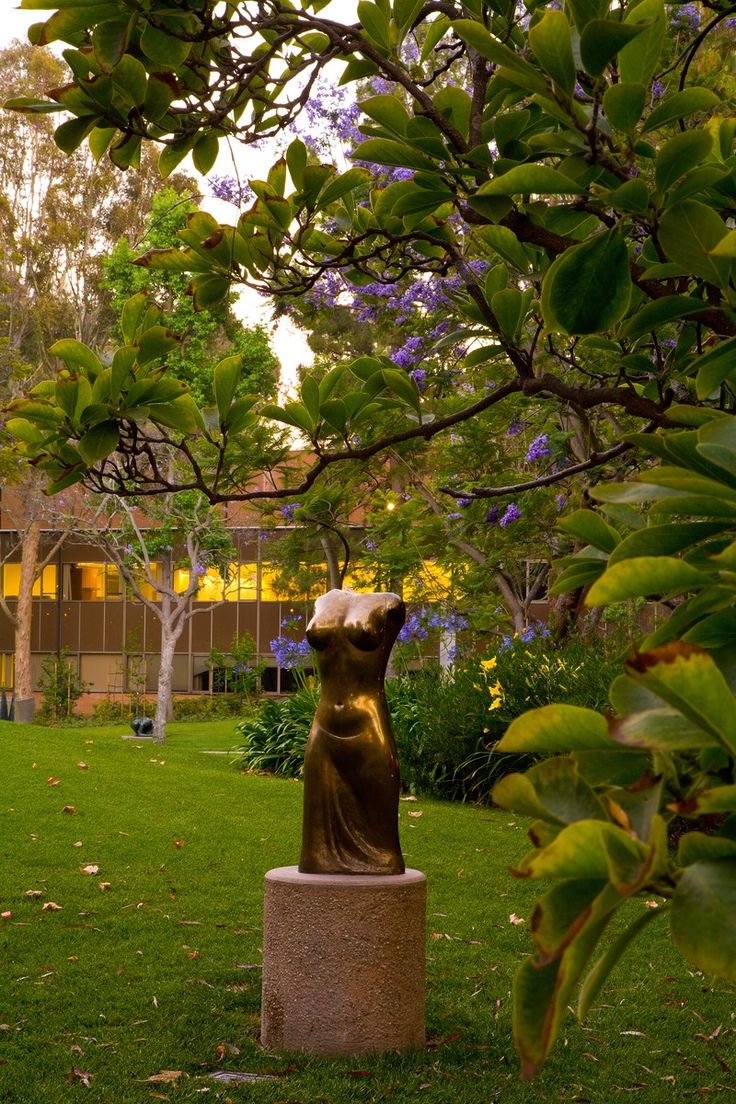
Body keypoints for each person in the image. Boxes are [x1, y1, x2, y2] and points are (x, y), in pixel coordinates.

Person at [299, 589, 406, 875]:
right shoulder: (325, 599)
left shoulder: (389, 604)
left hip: (368, 724)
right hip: (323, 726)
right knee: (315, 852)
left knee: (382, 845)